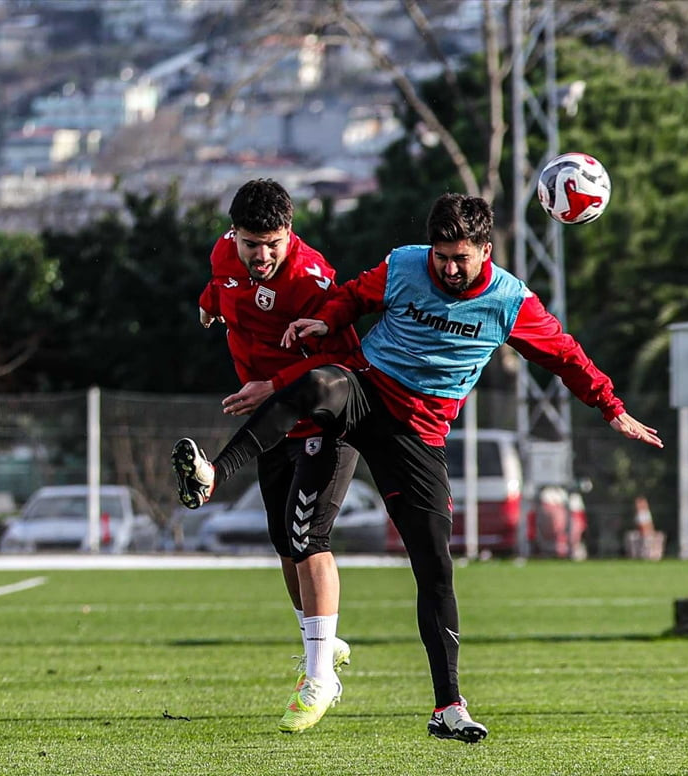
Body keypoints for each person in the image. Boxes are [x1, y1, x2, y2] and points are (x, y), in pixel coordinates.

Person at [172, 192, 663, 742]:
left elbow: (566, 356)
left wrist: (612, 408)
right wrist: (322, 321)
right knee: (316, 387)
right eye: (441, 256)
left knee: (434, 568)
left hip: (418, 436)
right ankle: (215, 470)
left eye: (461, 258)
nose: (448, 268)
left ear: (485, 249)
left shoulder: (511, 303)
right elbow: (355, 297)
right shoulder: (406, 263)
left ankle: (448, 707)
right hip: (367, 392)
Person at [183, 178, 363, 733]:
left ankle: (318, 678)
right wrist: (208, 306)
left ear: (290, 234)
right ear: (233, 235)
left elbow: (344, 361)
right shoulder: (223, 254)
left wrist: (275, 384)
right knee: (286, 545)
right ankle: (322, 642)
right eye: (250, 243)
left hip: (324, 420)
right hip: (274, 426)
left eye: (272, 244)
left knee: (309, 538)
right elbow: (220, 287)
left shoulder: (312, 278)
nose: (260, 256)